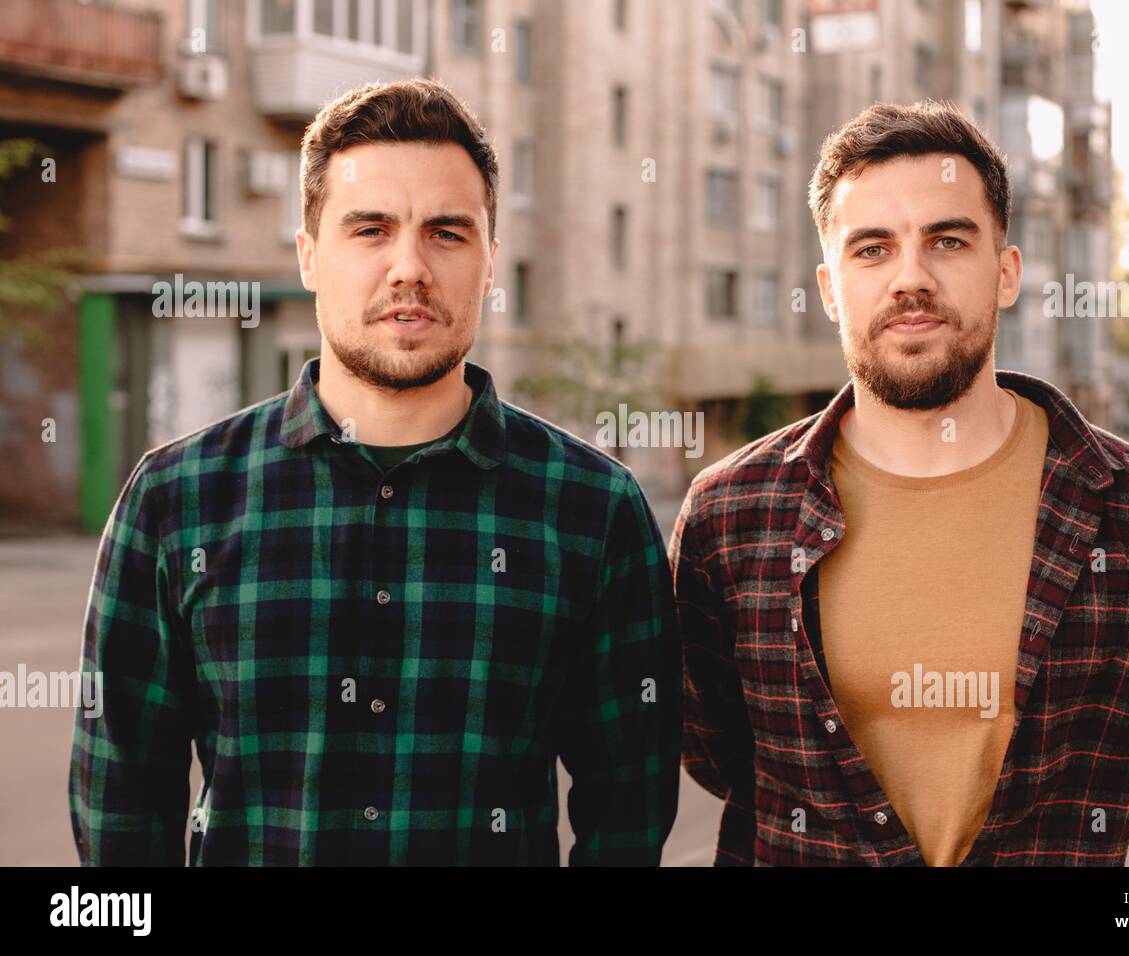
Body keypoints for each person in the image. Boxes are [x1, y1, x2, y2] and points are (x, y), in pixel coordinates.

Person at [70, 78, 680, 866]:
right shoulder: (175, 499)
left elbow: (626, 811)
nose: (409, 267)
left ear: (491, 263)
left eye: (447, 233)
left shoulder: (593, 509)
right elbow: (120, 809)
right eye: (371, 228)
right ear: (309, 255)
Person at [669, 101, 1129, 866]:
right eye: (872, 250)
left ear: (1006, 272)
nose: (911, 279)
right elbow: (718, 755)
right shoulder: (729, 516)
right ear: (830, 289)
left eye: (947, 241)